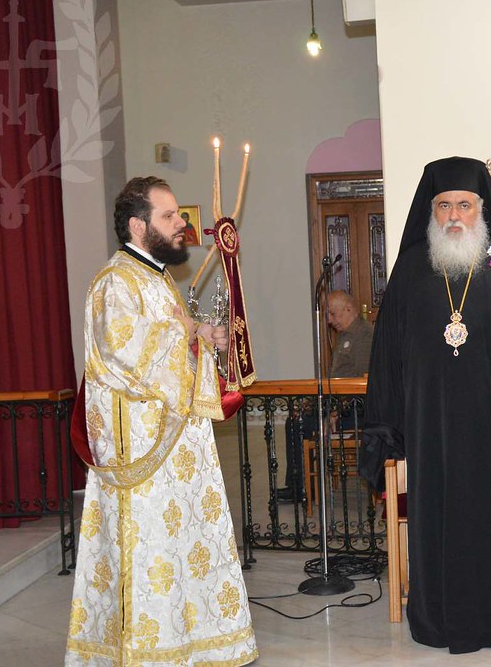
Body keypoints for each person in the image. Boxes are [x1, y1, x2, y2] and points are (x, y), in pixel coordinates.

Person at [360, 157, 491, 653]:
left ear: (482, 209)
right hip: (431, 426)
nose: (454, 215)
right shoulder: (412, 268)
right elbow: (386, 351)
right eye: (444, 205)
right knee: (441, 521)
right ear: (431, 211)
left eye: (465, 205)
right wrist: (388, 426)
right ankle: (440, 618)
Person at [65, 177, 257, 666]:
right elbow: (125, 352)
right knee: (151, 550)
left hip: (176, 452)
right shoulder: (115, 282)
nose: (182, 224)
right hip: (142, 452)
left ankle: (191, 644)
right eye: (169, 216)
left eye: (179, 215)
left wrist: (203, 333)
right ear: (138, 225)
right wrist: (187, 336)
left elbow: (173, 337)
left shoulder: (157, 278)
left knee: (182, 547)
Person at [276, 291, 373, 502]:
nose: (329, 320)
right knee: (296, 418)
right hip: (339, 403)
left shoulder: (365, 335)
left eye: (332, 314)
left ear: (349, 309)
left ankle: (301, 489)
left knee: (298, 424)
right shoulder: (346, 334)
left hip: (355, 409)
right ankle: (299, 484)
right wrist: (312, 403)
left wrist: (336, 412)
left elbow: (362, 382)